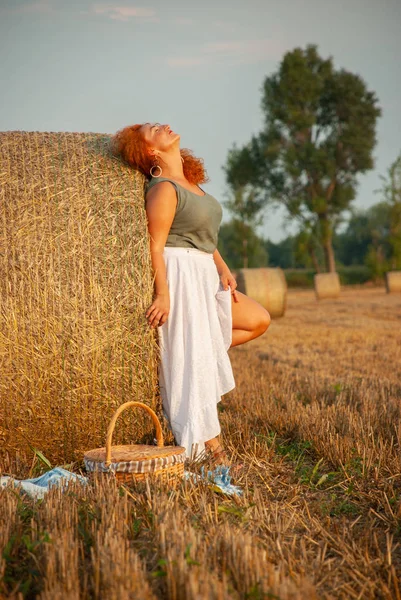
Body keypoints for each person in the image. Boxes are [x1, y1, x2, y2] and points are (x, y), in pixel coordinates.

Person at [111, 122, 271, 469]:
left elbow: (202, 236)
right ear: (150, 151)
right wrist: (163, 294)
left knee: (258, 320)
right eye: (155, 130)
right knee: (191, 362)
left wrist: (223, 266)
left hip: (203, 271)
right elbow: (156, 245)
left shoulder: (190, 183)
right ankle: (214, 453)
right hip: (180, 274)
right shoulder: (163, 189)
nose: (164, 126)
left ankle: (193, 354)